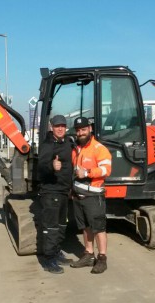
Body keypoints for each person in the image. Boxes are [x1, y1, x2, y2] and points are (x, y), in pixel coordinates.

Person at [70, 116, 112, 274]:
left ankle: (102, 258)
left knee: (98, 228)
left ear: (90, 129)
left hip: (94, 196)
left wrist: (87, 172)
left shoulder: (99, 148)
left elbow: (106, 170)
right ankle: (88, 254)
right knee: (85, 227)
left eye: (84, 129)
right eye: (78, 130)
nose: (81, 132)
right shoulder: (76, 149)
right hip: (78, 195)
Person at [37, 114, 74, 274]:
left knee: (61, 225)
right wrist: (52, 166)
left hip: (64, 191)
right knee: (51, 227)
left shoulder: (67, 142)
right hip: (51, 191)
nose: (60, 128)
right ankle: (48, 259)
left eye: (63, 126)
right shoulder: (47, 145)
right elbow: (42, 166)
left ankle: (57, 252)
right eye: (57, 126)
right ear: (52, 127)